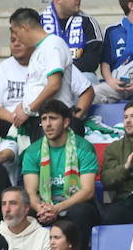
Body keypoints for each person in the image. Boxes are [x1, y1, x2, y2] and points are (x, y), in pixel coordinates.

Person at [19, 100, 99, 239]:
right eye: (44, 119)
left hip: (74, 204)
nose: (48, 124)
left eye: (53, 118)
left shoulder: (84, 148)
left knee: (80, 211)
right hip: (45, 207)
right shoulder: (32, 152)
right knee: (25, 210)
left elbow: (88, 191)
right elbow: (30, 192)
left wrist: (57, 208)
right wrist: (41, 210)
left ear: (66, 122)